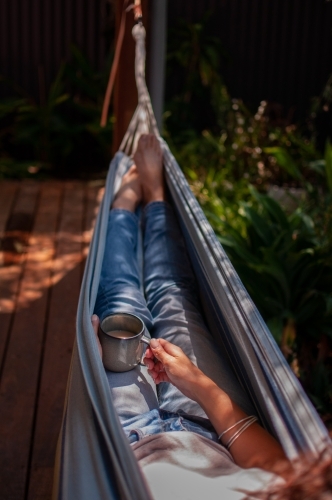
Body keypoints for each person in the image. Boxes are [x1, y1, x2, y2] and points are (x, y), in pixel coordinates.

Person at [92, 134, 289, 499]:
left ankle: (122, 207)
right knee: (173, 294)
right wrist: (199, 384)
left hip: (126, 436)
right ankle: (155, 198)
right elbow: (276, 467)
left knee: (119, 306)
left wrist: (86, 371)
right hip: (210, 427)